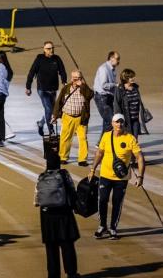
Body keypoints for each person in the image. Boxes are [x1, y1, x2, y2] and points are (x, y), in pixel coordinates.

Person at [89, 113, 145, 240]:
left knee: (117, 203)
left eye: (121, 122)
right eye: (117, 122)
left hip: (121, 178)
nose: (119, 124)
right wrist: (92, 169)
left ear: (124, 124)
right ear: (112, 124)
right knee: (102, 200)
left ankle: (113, 228)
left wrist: (140, 176)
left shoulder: (130, 138)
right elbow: (99, 153)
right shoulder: (106, 136)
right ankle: (102, 226)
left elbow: (140, 157)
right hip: (105, 175)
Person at [37, 143, 80, 278]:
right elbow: (72, 192)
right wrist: (76, 206)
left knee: (51, 248)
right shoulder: (63, 174)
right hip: (63, 214)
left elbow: (37, 200)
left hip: (47, 216)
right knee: (67, 245)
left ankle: (53, 275)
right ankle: (71, 273)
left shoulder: (41, 176)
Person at [26, 41, 68, 137]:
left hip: (53, 89)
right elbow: (31, 72)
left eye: (52, 48)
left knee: (53, 111)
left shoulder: (57, 59)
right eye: (48, 48)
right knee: (49, 109)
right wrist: (28, 87)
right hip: (42, 90)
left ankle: (41, 123)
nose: (51, 50)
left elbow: (62, 71)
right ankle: (51, 130)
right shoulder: (39, 59)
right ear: (44, 49)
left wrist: (64, 82)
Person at [53, 70, 93, 166]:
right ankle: (63, 157)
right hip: (67, 117)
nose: (75, 80)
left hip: (81, 118)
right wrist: (54, 115)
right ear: (71, 78)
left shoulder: (84, 88)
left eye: (77, 78)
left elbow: (90, 95)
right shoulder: (66, 88)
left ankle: (82, 159)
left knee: (83, 138)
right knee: (65, 138)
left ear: (81, 78)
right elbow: (59, 102)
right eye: (74, 78)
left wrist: (83, 85)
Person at [113, 68, 149, 141]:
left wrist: (142, 112)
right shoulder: (120, 89)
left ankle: (133, 151)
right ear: (126, 78)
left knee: (134, 138)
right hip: (126, 120)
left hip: (135, 119)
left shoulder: (135, 88)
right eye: (131, 77)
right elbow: (117, 104)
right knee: (126, 138)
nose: (133, 78)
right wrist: (119, 119)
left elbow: (139, 102)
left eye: (133, 76)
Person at [93, 51, 120, 134]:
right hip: (101, 97)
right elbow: (103, 85)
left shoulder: (112, 69)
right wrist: (116, 85)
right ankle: (103, 143)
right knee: (110, 121)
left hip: (108, 97)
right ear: (111, 58)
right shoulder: (104, 68)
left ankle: (101, 143)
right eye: (117, 58)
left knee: (107, 122)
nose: (119, 61)